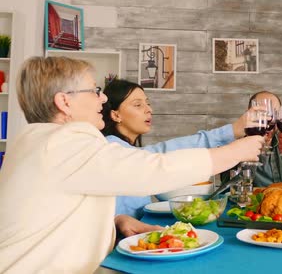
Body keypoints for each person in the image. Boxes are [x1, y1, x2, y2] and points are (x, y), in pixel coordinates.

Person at [0, 56, 263, 273]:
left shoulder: (37, 140)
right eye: (95, 91)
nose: (102, 100)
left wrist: (116, 220)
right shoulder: (62, 143)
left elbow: (57, 211)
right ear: (64, 101)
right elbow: (152, 170)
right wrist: (233, 152)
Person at [100, 79, 256, 237]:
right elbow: (162, 155)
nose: (149, 110)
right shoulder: (111, 147)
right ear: (115, 114)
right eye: (138, 105)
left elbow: (163, 154)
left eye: (148, 103)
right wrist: (232, 134)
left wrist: (232, 131)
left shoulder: (127, 149)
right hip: (120, 246)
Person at [222, 91, 282, 191]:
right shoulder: (233, 146)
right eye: (261, 113)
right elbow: (226, 186)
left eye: (274, 114)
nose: (268, 119)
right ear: (248, 115)